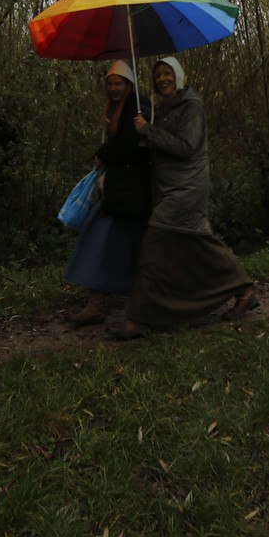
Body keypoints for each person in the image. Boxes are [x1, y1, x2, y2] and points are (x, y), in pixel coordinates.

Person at [106, 57, 255, 340]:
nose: (162, 78)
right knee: (199, 242)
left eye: (167, 73)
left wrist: (149, 131)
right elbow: (160, 144)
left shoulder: (191, 107)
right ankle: (245, 290)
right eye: (157, 75)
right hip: (168, 188)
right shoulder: (163, 109)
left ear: (178, 75)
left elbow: (186, 147)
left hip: (186, 189)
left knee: (153, 246)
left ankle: (138, 318)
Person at [63, 60, 153, 327]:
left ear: (128, 84)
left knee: (102, 243)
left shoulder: (138, 108)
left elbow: (133, 148)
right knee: (111, 246)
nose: (113, 88)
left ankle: (104, 306)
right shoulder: (119, 108)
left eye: (118, 84)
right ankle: (100, 304)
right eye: (110, 84)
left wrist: (103, 153)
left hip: (129, 192)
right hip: (118, 190)